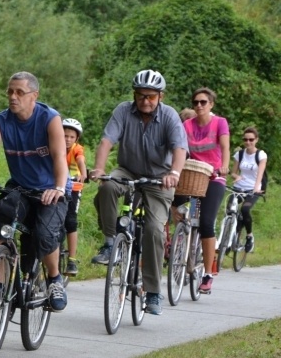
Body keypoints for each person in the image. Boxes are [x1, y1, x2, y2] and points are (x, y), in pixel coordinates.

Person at [89, 69, 187, 316]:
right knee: (108, 186)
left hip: (160, 179)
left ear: (160, 97)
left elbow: (179, 149)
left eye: (151, 97)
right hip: (128, 170)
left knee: (154, 230)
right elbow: (106, 141)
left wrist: (174, 173)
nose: (145, 101)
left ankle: (153, 292)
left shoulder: (170, 116)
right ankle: (110, 242)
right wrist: (100, 168)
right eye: (141, 96)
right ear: (134, 95)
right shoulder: (123, 110)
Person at [0, 71, 70, 312]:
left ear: (34, 96)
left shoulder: (49, 118)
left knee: (45, 234)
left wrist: (57, 187)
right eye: (10, 92)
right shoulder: (2, 121)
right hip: (20, 186)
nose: (13, 97)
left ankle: (54, 280)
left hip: (50, 189)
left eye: (19, 92)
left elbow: (59, 156)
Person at [175, 88, 229, 294]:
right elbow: (178, 146)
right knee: (173, 202)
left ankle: (207, 273)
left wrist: (223, 165)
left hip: (214, 176)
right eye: (196, 102)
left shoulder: (219, 123)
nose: (199, 106)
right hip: (191, 175)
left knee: (206, 223)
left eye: (203, 102)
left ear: (211, 104)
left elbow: (224, 148)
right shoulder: (186, 124)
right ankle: (178, 241)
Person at [231, 126, 267, 254]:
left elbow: (261, 174)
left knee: (245, 209)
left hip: (253, 189)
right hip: (239, 187)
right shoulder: (239, 154)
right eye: (245, 139)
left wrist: (257, 187)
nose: (248, 142)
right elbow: (233, 173)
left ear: (256, 140)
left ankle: (249, 236)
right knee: (230, 209)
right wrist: (237, 176)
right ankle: (230, 237)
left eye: (251, 140)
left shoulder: (261, 155)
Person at [62, 118, 87, 277]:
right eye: (65, 136)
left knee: (70, 221)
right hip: (55, 185)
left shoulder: (77, 149)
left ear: (76, 138)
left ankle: (71, 259)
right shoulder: (54, 145)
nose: (68, 139)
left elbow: (80, 160)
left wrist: (83, 174)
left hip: (73, 187)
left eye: (71, 137)